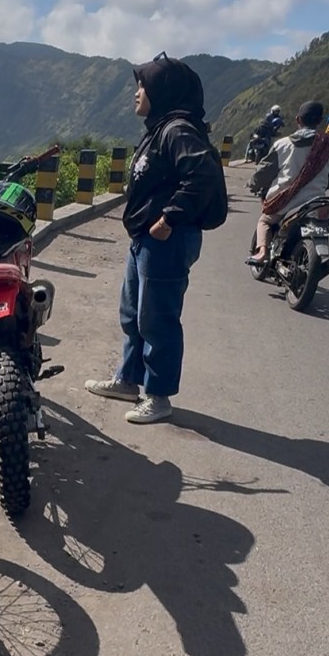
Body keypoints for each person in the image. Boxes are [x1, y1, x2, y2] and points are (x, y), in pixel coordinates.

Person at [85, 53, 225, 424]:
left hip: (166, 240)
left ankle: (158, 397)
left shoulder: (178, 130)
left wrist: (168, 218)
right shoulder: (160, 127)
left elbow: (203, 176)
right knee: (133, 314)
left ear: (163, 90)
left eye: (143, 85)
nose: (137, 92)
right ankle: (127, 380)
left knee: (157, 319)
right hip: (146, 240)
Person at [246, 99, 329, 265]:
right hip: (316, 203)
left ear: (298, 119)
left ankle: (262, 252)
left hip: (285, 203)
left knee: (264, 221)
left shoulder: (283, 144)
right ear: (320, 121)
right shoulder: (327, 145)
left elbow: (264, 171)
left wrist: (253, 184)